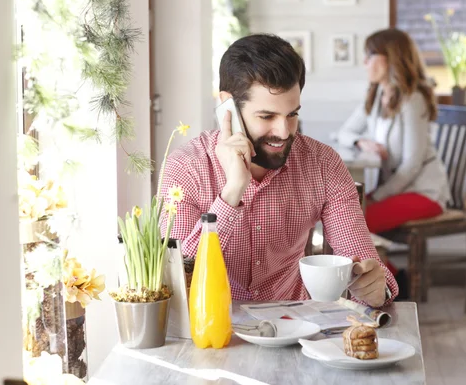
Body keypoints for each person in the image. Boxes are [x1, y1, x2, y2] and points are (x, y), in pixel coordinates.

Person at [160, 34, 398, 307]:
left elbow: (361, 256)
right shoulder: (186, 168)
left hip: (295, 327)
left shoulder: (323, 164)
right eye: (266, 116)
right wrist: (231, 193)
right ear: (228, 105)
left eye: (292, 115)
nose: (283, 132)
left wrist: (376, 288)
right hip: (208, 330)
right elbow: (176, 282)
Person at [337, 28, 451, 235]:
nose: (365, 63)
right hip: (397, 190)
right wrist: (361, 142)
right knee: (342, 216)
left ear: (390, 58)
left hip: (423, 191)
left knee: (352, 224)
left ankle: (387, 269)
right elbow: (344, 132)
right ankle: (392, 270)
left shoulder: (413, 99)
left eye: (370, 55)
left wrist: (376, 196)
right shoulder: (376, 94)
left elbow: (412, 165)